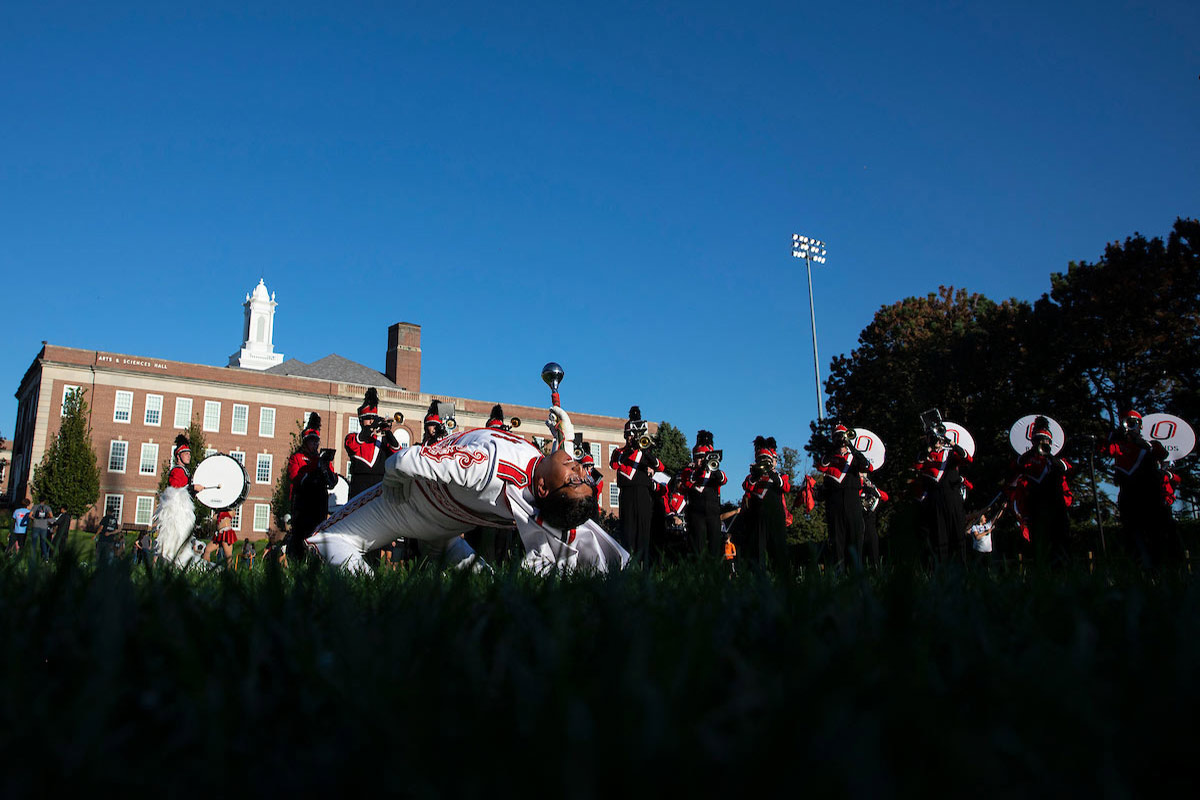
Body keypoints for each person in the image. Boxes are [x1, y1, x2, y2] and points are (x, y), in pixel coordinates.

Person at [306, 407, 628, 576]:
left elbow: (405, 459)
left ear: (544, 487)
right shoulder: (539, 495)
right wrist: (565, 443)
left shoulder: (491, 465)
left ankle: (370, 588)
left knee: (326, 538)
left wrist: (391, 485)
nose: (580, 469)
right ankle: (470, 572)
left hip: (408, 505)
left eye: (575, 478)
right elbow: (549, 496)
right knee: (448, 557)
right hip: (449, 526)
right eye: (584, 474)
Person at [1100, 409, 1176, 566]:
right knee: (1133, 536)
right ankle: (1140, 570)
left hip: (1150, 496)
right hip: (1129, 497)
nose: (1131, 426)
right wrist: (1112, 436)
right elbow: (1103, 450)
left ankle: (1161, 568)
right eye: (1128, 422)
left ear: (1140, 426)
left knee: (1157, 535)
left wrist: (1138, 440)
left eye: (1134, 423)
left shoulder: (1149, 444)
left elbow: (1161, 454)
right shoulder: (1118, 445)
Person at [1005, 416, 1074, 566]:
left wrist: (1049, 455)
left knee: (1060, 545)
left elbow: (1068, 468)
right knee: (1040, 548)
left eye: (1045, 440)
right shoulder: (1027, 461)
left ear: (1050, 442)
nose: (1041, 443)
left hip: (1056, 509)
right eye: (1037, 440)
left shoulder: (1055, 461)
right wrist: (1031, 453)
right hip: (1036, 509)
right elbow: (1013, 469)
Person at [609, 406, 666, 562]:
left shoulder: (646, 454)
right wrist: (631, 449)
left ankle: (645, 567)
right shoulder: (619, 452)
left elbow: (660, 467)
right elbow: (614, 464)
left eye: (633, 435)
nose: (631, 438)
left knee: (643, 533)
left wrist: (645, 451)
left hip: (643, 494)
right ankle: (628, 565)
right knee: (628, 532)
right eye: (629, 435)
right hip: (626, 494)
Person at [911, 420, 972, 565]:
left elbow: (967, 458)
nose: (936, 440)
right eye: (932, 437)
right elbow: (917, 464)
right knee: (939, 534)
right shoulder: (925, 454)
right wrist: (928, 448)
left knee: (957, 532)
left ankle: (961, 567)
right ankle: (941, 568)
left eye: (937, 438)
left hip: (952, 496)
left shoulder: (950, 454)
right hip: (935, 498)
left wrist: (949, 442)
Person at [815, 424, 873, 571]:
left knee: (855, 537)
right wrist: (834, 448)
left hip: (852, 501)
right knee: (837, 540)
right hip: (834, 503)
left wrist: (851, 446)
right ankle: (839, 574)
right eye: (838, 436)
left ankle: (856, 572)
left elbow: (867, 466)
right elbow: (821, 466)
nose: (841, 439)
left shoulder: (854, 457)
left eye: (843, 435)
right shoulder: (829, 457)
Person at [287, 413, 339, 562]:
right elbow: (296, 479)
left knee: (317, 534)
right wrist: (314, 469)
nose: (315, 444)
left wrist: (326, 468)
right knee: (301, 536)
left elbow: (332, 481)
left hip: (319, 502)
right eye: (312, 441)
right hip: (303, 503)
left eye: (317, 441)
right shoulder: (296, 458)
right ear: (305, 442)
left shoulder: (321, 459)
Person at [154, 434, 210, 569]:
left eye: (189, 453)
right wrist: (192, 488)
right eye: (185, 453)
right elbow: (176, 491)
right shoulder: (178, 471)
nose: (189, 456)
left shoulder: (184, 471)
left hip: (183, 512)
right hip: (177, 513)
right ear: (178, 456)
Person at [739, 436, 793, 573]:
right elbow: (746, 486)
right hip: (757, 517)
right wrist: (755, 475)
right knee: (757, 549)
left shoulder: (780, 476)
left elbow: (785, 487)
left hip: (776, 516)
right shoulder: (752, 477)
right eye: (760, 460)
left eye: (767, 460)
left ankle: (782, 577)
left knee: (778, 547)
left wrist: (770, 472)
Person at [344, 388, 403, 499]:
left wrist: (388, 432)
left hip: (379, 488)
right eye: (367, 419)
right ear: (361, 421)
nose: (371, 421)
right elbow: (355, 443)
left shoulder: (382, 439)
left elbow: (397, 452)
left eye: (373, 419)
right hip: (358, 488)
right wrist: (371, 427)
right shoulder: (352, 437)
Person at [680, 430, 728, 558]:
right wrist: (700, 470)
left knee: (715, 546)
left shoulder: (714, 472)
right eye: (699, 457)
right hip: (696, 513)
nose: (701, 460)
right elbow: (687, 483)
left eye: (704, 457)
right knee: (698, 547)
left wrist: (714, 468)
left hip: (713, 512)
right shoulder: (688, 471)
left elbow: (723, 479)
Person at [860, 475, 888, 568]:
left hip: (870, 526)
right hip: (859, 527)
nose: (862, 476)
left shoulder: (871, 486)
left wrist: (873, 490)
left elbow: (885, 496)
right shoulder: (854, 487)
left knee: (874, 555)